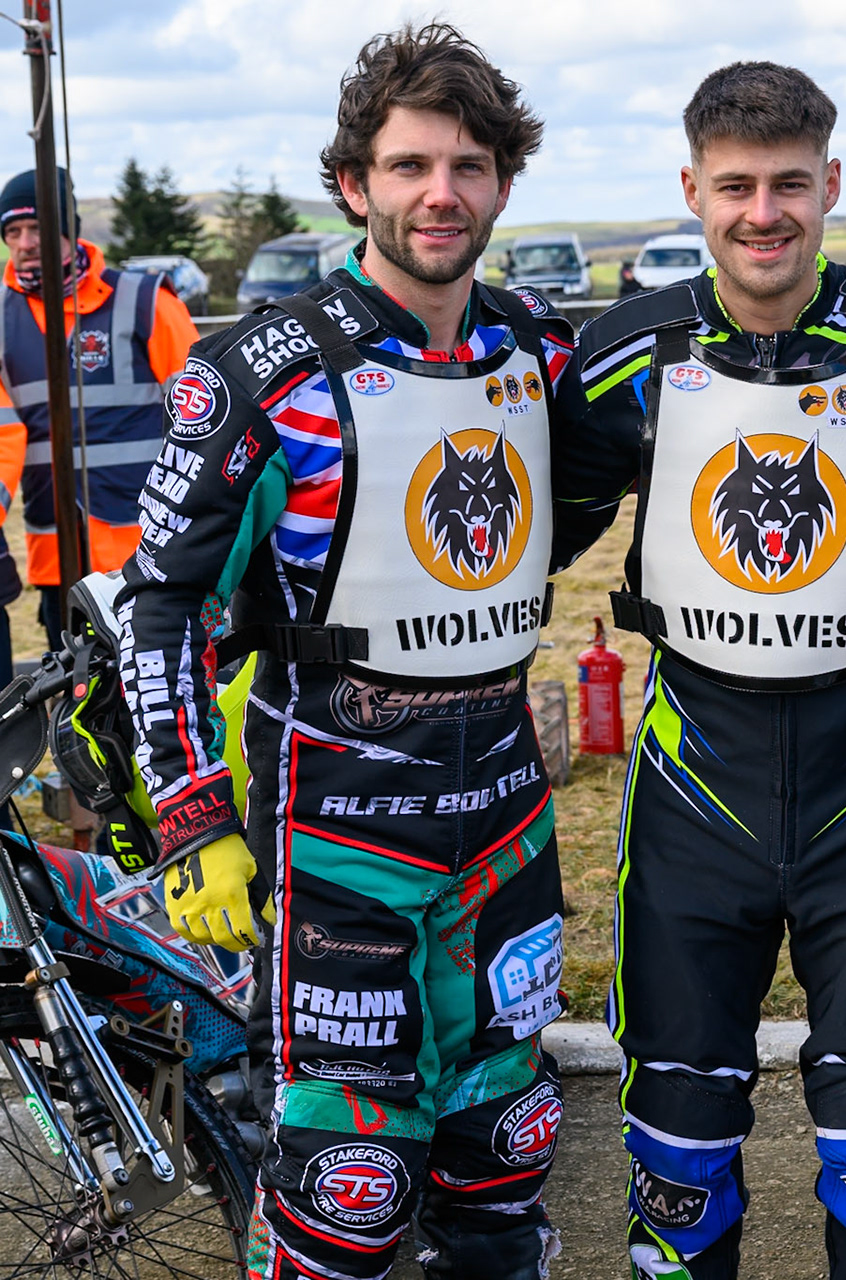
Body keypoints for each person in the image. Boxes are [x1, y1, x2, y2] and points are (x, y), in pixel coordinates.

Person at [118, 24, 580, 1280]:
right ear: (353, 182)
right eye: (411, 165)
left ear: (502, 182)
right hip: (337, 833)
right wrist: (192, 819)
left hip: (505, 822)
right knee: (348, 1187)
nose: (442, 193)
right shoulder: (262, 375)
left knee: (505, 1157)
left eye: (470, 166)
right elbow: (158, 603)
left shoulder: (538, 350)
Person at [554, 62, 846, 1280]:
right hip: (695, 790)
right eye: (735, 186)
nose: (763, 212)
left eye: (789, 184)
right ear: (692, 188)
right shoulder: (625, 351)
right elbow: (529, 538)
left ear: (830, 184)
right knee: (676, 1162)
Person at [0, 166, 197, 650]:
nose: (25, 243)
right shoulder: (1, 318)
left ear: (67, 228)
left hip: (149, 548)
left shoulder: (144, 300)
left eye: (36, 227)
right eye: (12, 232)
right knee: (70, 683)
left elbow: (205, 418)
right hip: (55, 551)